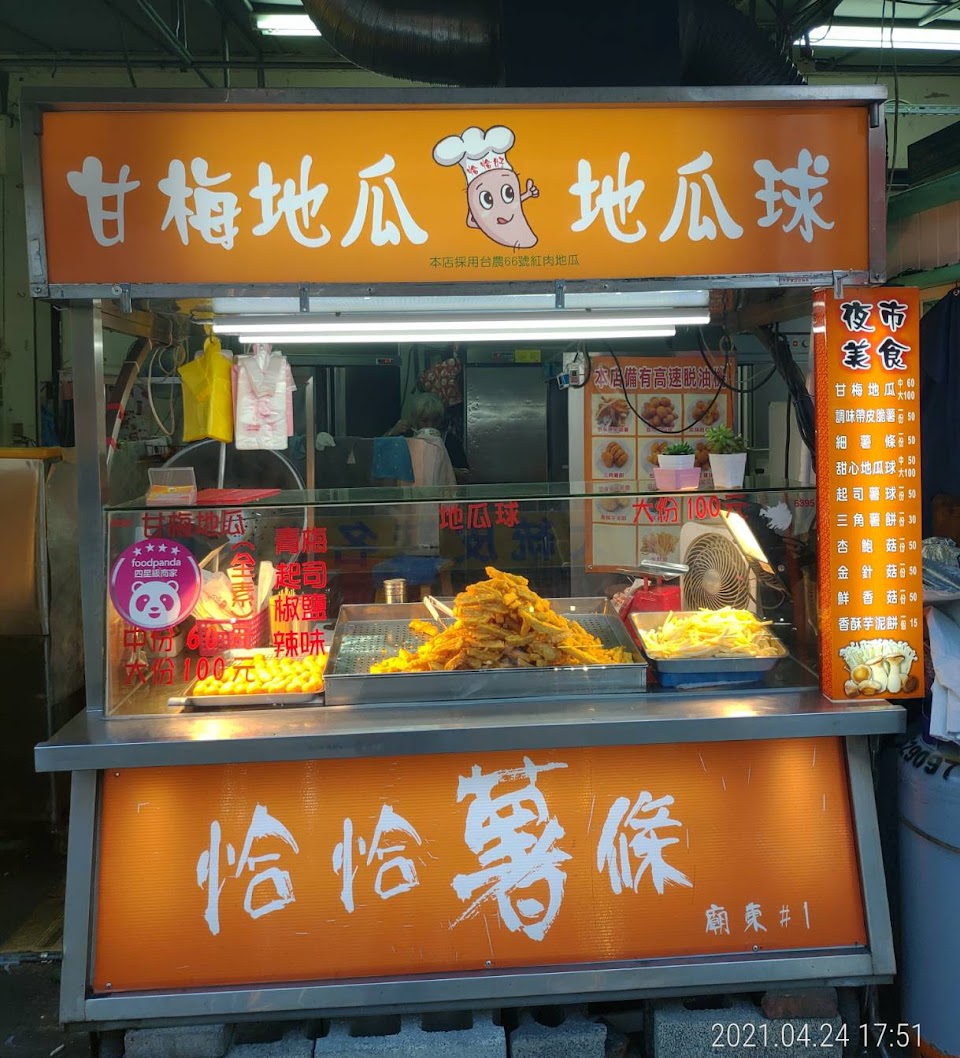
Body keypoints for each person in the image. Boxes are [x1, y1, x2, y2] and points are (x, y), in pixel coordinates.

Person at [388, 392, 458, 486]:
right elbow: (384, 458)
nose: (430, 425)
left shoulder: (449, 440)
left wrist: (446, 468)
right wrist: (392, 433)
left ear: (441, 420)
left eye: (435, 420)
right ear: (416, 420)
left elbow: (465, 474)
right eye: (425, 420)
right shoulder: (407, 437)